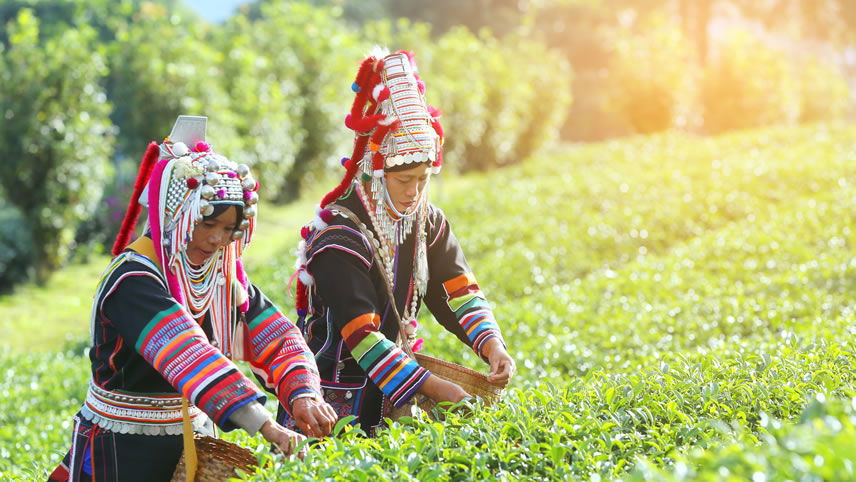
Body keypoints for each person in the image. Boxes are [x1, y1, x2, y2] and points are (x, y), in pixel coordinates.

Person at [49, 116, 336, 481]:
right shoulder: (131, 279)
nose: (218, 239)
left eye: (229, 229)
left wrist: (302, 394)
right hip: (123, 451)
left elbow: (276, 337)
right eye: (207, 223)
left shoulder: (218, 276)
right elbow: (186, 353)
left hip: (194, 448)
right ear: (175, 216)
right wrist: (265, 425)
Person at [282, 50, 516, 435]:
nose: (414, 191)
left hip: (393, 388)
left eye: (423, 179)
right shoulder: (338, 237)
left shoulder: (427, 221)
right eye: (404, 180)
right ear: (376, 172)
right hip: (329, 396)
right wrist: (435, 387)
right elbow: (360, 334)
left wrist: (492, 344)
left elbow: (456, 291)